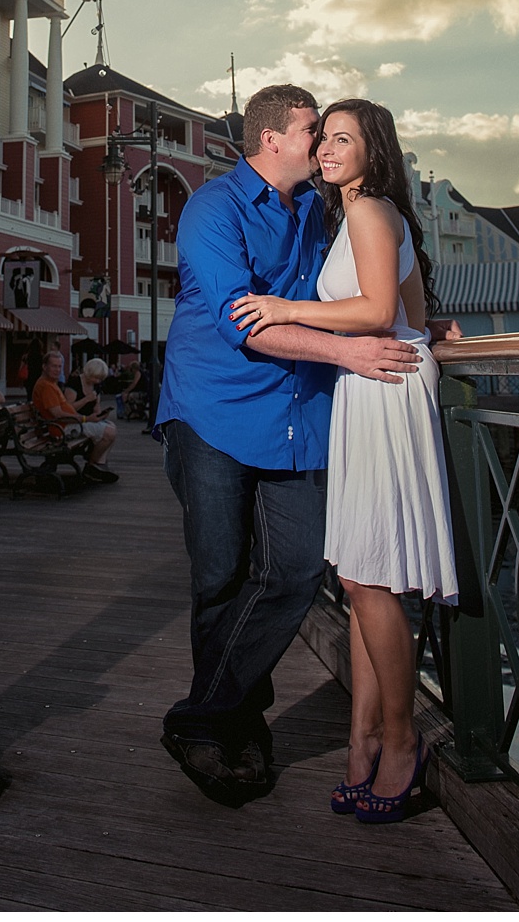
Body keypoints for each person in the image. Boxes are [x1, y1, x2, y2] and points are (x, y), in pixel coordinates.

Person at [154, 84, 426, 809]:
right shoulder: (213, 207)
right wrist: (352, 356)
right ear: (273, 139)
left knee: (298, 572)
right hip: (213, 411)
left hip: (300, 414)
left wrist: (427, 327)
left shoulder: (321, 207)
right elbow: (249, 324)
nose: (324, 144)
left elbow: (378, 279)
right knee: (219, 575)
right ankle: (235, 731)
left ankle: (203, 719)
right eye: (314, 131)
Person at [231, 99, 458, 824]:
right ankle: (362, 740)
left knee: (371, 578)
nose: (327, 149)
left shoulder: (367, 212)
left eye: (343, 139)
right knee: (363, 574)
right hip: (371, 385)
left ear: (374, 149)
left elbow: (374, 310)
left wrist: (282, 308)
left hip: (384, 386)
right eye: (322, 137)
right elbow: (402, 309)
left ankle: (401, 741)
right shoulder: (360, 213)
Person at [32, 348, 118, 483]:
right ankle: (92, 466)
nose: (57, 370)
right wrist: (86, 418)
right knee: (109, 432)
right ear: (44, 367)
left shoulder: (51, 384)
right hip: (61, 428)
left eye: (59, 366)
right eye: (54, 366)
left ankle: (96, 465)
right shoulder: (46, 386)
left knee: (110, 428)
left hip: (68, 424)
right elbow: (58, 415)